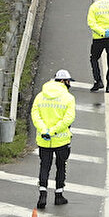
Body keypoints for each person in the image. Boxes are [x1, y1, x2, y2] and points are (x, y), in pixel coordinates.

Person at [31, 69, 76, 209]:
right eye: (68, 81)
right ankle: (59, 195)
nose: (69, 84)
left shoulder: (40, 96)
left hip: (44, 140)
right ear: (63, 81)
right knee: (61, 166)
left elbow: (35, 115)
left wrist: (45, 131)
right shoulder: (68, 98)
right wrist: (54, 131)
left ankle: (42, 194)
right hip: (61, 140)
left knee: (44, 166)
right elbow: (68, 118)